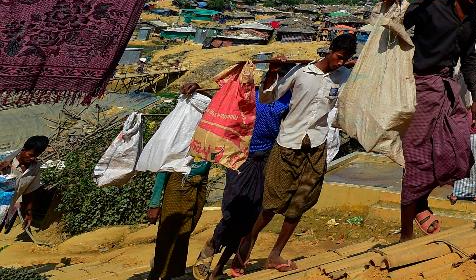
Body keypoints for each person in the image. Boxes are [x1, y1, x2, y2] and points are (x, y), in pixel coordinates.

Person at [380, 0, 476, 239]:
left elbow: (468, 57)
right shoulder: (430, 4)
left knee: (457, 148)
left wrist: (475, 97)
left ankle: (421, 201)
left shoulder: (473, 13)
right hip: (419, 86)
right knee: (417, 157)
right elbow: (392, 24)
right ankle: (406, 232)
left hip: (446, 87)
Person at [238, 34, 356, 272]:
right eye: (339, 57)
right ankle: (245, 245)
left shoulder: (344, 77)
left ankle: (275, 254)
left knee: (298, 206)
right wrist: (273, 72)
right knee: (271, 204)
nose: (341, 63)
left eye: (346, 60)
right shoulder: (301, 73)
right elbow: (269, 95)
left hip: (315, 147)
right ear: (330, 50)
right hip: (287, 145)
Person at [192, 77, 293, 279]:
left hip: (265, 158)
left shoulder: (288, 98)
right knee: (233, 209)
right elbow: (222, 97)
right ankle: (214, 243)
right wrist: (197, 89)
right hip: (241, 156)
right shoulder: (250, 93)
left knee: (251, 215)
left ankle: (220, 266)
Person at [146, 83, 209, 280]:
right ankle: (160, 273)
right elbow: (164, 168)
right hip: (179, 183)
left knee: (184, 232)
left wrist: (200, 89)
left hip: (198, 182)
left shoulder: (206, 132)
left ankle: (173, 272)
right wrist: (155, 203)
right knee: (169, 234)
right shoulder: (178, 134)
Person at [0, 136, 49, 236]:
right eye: (30, 155)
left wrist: (28, 213)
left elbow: (29, 192)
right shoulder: (6, 162)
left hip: (6, 210)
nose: (32, 158)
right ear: (23, 150)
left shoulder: (35, 168)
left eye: (36, 155)